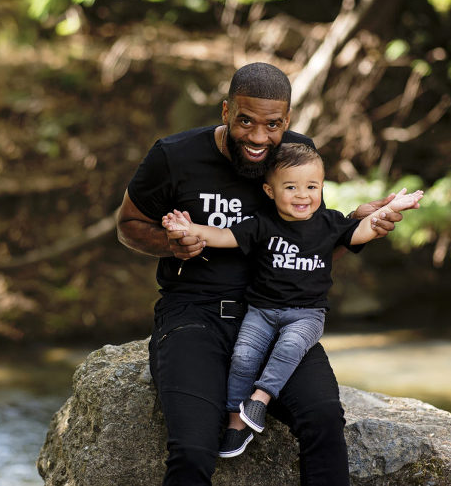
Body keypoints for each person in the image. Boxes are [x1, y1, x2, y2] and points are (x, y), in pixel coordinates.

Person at [116, 62, 405, 486]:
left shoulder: (295, 155)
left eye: (272, 125)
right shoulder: (174, 155)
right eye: (245, 121)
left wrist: (353, 227)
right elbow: (128, 226)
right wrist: (171, 244)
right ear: (226, 111)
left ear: (286, 122)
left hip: (280, 314)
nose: (257, 137)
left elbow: (311, 248)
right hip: (194, 315)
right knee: (194, 449)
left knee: (323, 418)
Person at [161, 142, 423, 458]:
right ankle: (236, 423)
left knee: (289, 347)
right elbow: (224, 237)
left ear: (322, 187)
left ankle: (260, 399)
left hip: (307, 314)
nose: (302, 195)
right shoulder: (262, 223)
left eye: (311, 186)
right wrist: (189, 228)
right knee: (243, 355)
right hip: (262, 310)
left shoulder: (329, 222)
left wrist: (392, 208)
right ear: (270, 191)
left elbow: (364, 229)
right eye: (291, 187)